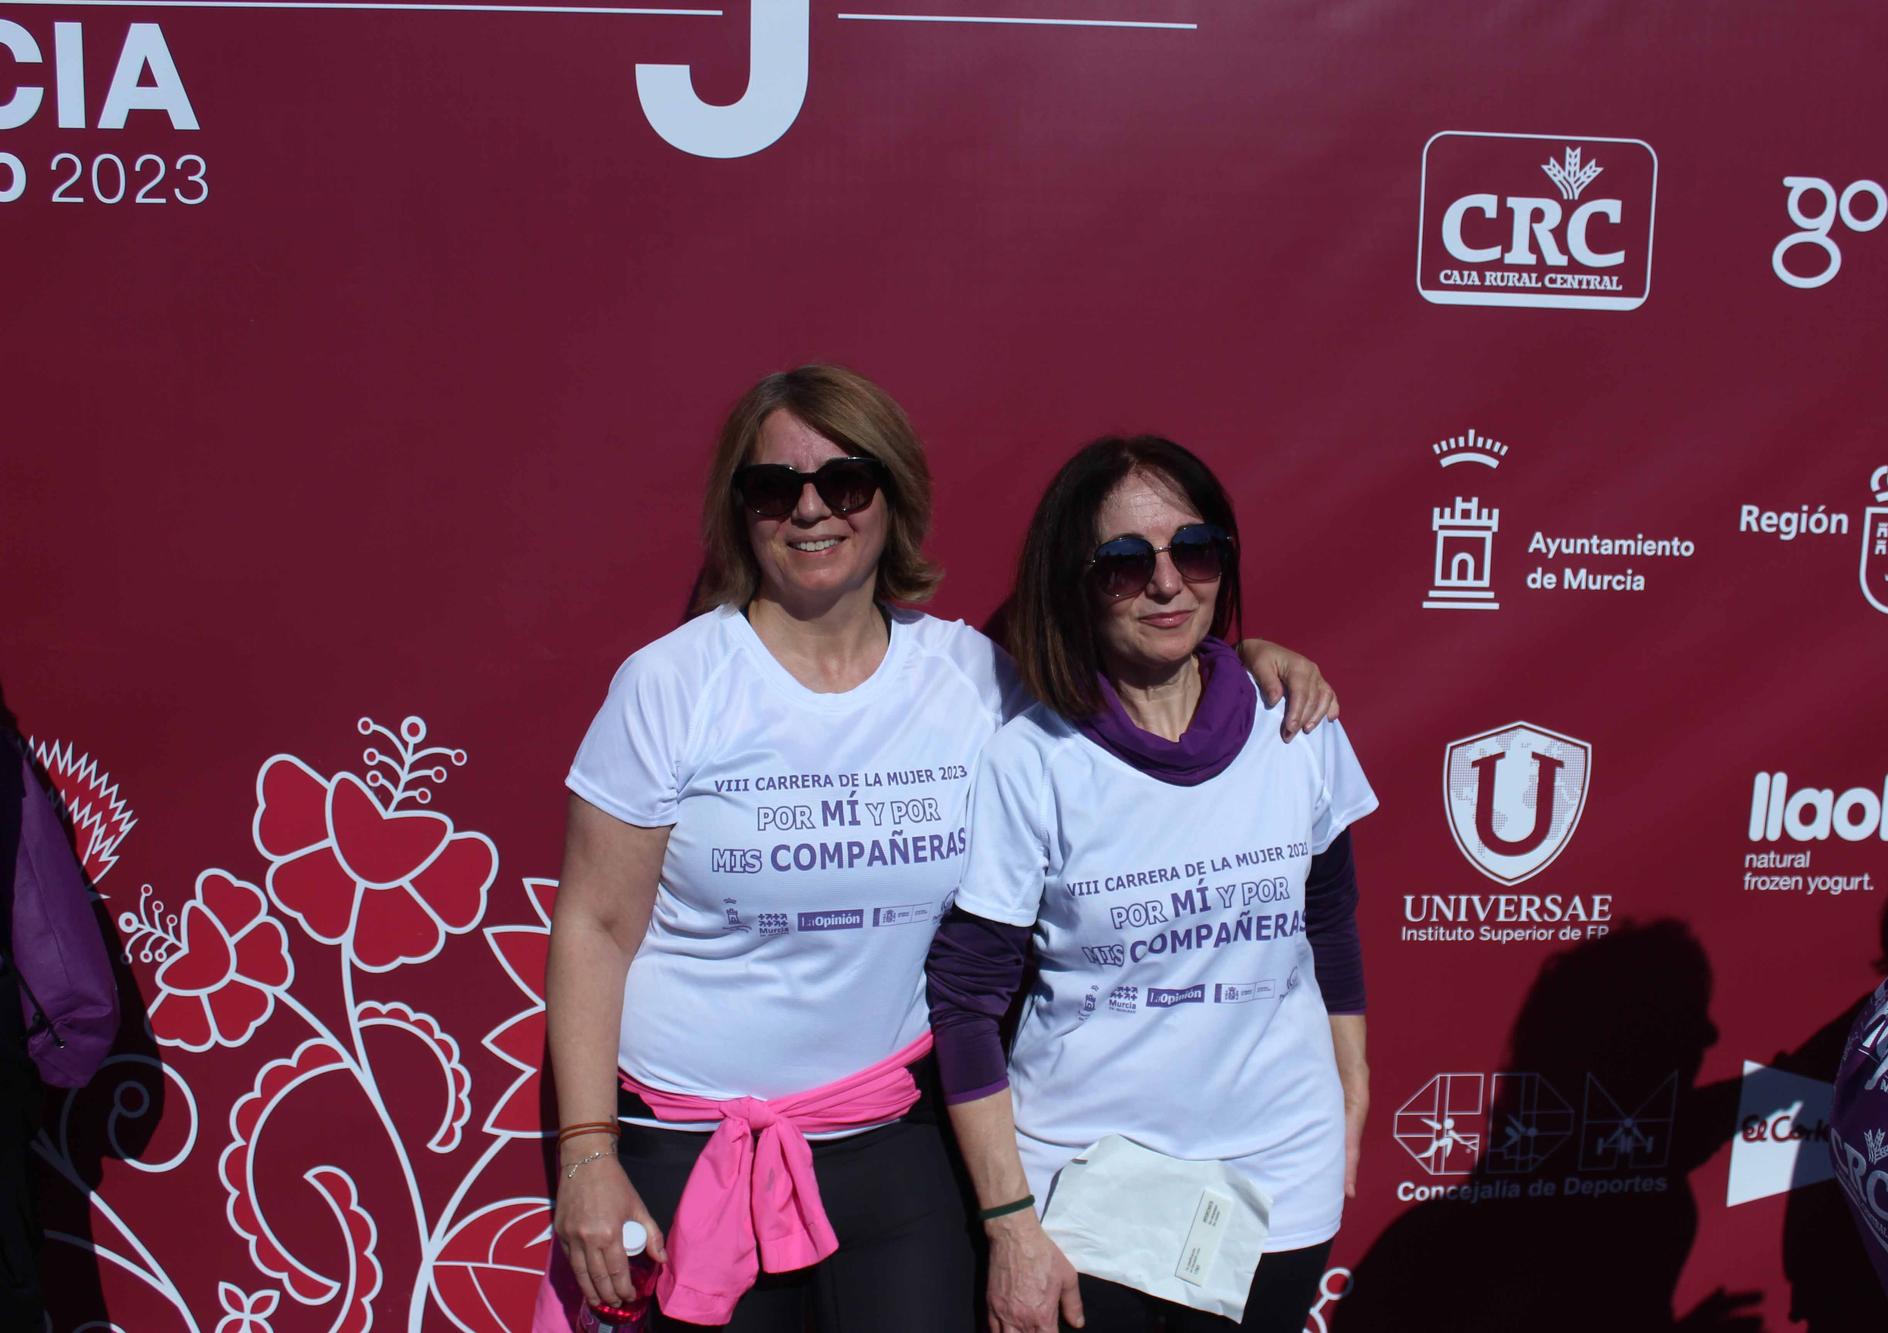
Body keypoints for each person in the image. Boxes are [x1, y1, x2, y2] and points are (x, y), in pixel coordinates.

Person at [544, 370, 1336, 1332]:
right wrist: (588, 1156)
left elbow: (1132, 688)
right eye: (773, 488)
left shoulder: (970, 676)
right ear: (737, 509)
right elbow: (594, 925)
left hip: (902, 1151)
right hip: (695, 1151)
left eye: (845, 481)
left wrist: (1250, 661)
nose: (810, 509)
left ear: (895, 497)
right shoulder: (670, 687)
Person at [927, 435, 1375, 1333]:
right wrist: (1010, 1217)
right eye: (1127, 562)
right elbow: (966, 1002)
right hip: (1090, 1205)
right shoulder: (1032, 761)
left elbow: (1327, 921)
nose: (1169, 585)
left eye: (1196, 549)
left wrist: (1353, 1078)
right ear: (1078, 583)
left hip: (1276, 1182)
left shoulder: (1299, 723)